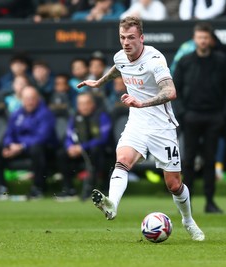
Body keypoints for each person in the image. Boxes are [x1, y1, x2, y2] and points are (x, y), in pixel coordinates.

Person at [77, 16, 205, 241]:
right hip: (136, 123)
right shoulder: (120, 56)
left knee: (174, 185)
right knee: (122, 160)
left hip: (161, 127)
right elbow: (119, 68)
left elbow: (170, 92)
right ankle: (112, 204)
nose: (126, 42)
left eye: (131, 38)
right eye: (122, 37)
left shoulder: (155, 59)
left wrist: (141, 102)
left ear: (142, 38)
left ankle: (188, 220)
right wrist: (99, 82)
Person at [173, 22, 226, 213]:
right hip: (190, 116)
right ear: (194, 39)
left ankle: (210, 201)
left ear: (211, 40)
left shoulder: (222, 61)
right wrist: (182, 113)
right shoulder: (184, 61)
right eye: (200, 37)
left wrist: (223, 115)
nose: (203, 41)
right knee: (188, 160)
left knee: (210, 160)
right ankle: (186, 203)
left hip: (214, 117)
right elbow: (176, 90)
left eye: (206, 37)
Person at [0, 85, 57, 200]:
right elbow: (9, 133)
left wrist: (21, 146)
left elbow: (42, 137)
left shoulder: (45, 113)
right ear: (22, 100)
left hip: (42, 149)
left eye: (32, 98)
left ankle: (38, 188)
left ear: (37, 99)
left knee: (37, 149)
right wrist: (9, 145)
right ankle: (1, 188)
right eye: (26, 99)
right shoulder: (17, 114)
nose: (29, 102)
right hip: (18, 148)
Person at [56, 92, 112, 200]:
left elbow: (102, 138)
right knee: (61, 154)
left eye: (86, 103)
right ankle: (68, 189)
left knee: (96, 151)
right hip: (78, 151)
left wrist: (82, 147)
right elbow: (68, 135)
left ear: (92, 104)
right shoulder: (75, 117)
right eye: (81, 104)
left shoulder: (102, 116)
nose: (84, 106)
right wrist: (70, 147)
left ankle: (93, 188)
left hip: (98, 151)